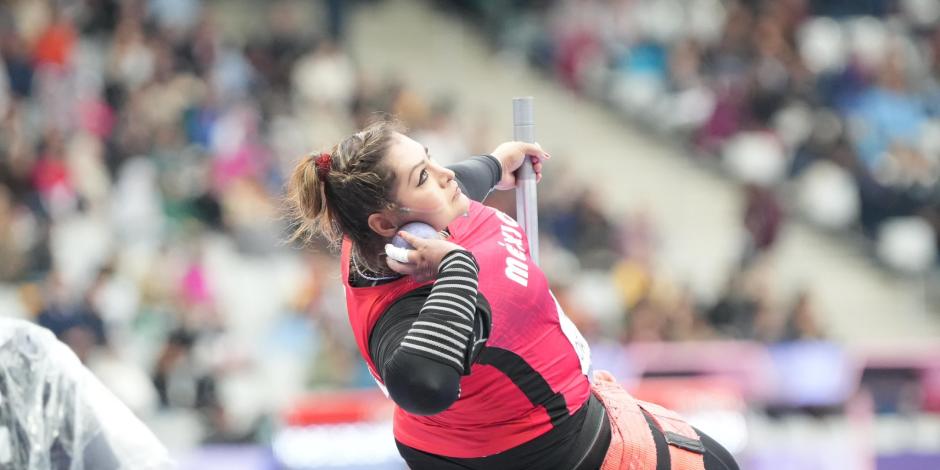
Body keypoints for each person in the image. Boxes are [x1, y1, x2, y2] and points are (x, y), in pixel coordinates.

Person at [285, 119, 739, 469]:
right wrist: (457, 267)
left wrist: (496, 162)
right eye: (423, 176)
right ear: (386, 224)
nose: (446, 176)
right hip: (547, 450)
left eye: (431, 159)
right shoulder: (406, 311)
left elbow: (454, 182)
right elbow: (421, 387)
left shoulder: (395, 231)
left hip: (558, 417)